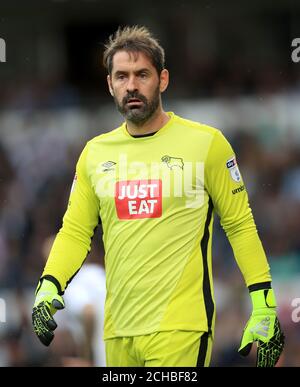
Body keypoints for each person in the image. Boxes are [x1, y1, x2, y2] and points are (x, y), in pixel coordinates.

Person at [32, 25, 284, 367]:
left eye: (142, 75)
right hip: (118, 331)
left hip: (182, 326)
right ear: (110, 84)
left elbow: (239, 226)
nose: (131, 86)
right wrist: (49, 285)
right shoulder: (94, 154)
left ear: (162, 80)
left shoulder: (206, 144)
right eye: (121, 76)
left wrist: (264, 302)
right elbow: (75, 231)